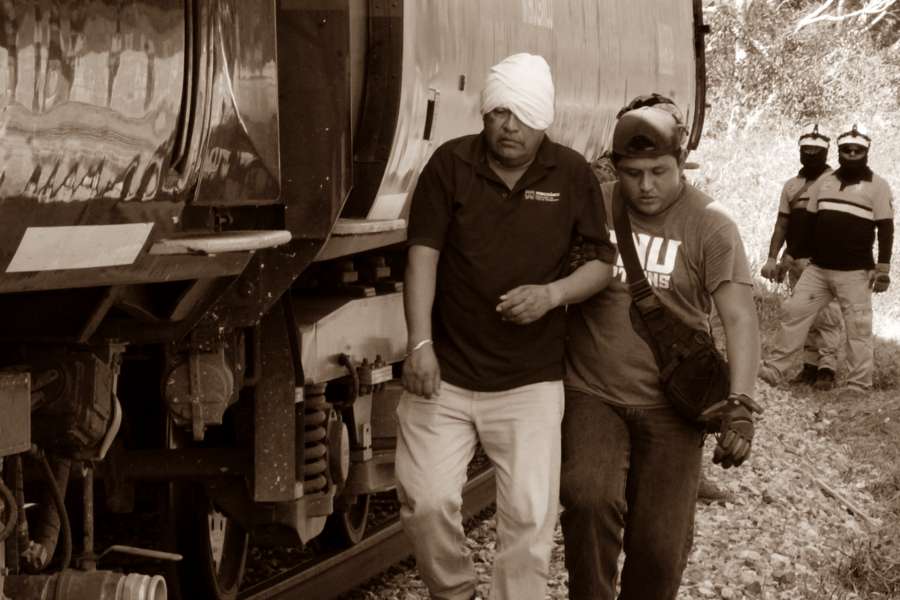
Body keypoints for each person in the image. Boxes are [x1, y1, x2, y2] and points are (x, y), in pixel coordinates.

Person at [396, 52, 616, 600]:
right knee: (425, 503)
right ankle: (455, 593)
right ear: (485, 113)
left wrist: (551, 295)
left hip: (529, 380)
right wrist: (419, 343)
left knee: (529, 519)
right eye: (499, 112)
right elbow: (422, 254)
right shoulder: (450, 164)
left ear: (544, 118)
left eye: (522, 115)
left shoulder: (572, 174)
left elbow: (600, 263)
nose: (509, 126)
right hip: (446, 374)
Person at [560, 106, 761, 600]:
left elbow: (739, 317)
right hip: (592, 391)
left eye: (658, 172)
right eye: (633, 173)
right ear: (615, 167)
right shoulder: (595, 204)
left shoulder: (711, 224)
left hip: (673, 403)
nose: (645, 186)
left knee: (660, 546)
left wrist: (740, 404)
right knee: (587, 500)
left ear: (681, 162)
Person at [759, 125, 894, 401]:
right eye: (847, 150)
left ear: (866, 152)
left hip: (855, 273)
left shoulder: (878, 186)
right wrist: (789, 255)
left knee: (858, 328)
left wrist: (883, 269)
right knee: (793, 314)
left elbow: (886, 229)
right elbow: (807, 225)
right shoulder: (824, 183)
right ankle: (773, 370)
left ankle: (858, 385)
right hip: (818, 270)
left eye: (858, 150)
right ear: (839, 152)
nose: (852, 154)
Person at [759, 125, 843, 389]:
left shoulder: (837, 183)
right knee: (803, 315)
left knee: (827, 317)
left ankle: (827, 369)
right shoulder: (791, 186)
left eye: (816, 150)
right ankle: (809, 366)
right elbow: (782, 223)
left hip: (825, 262)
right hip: (796, 261)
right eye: (806, 149)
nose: (811, 154)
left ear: (826, 151)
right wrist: (773, 257)